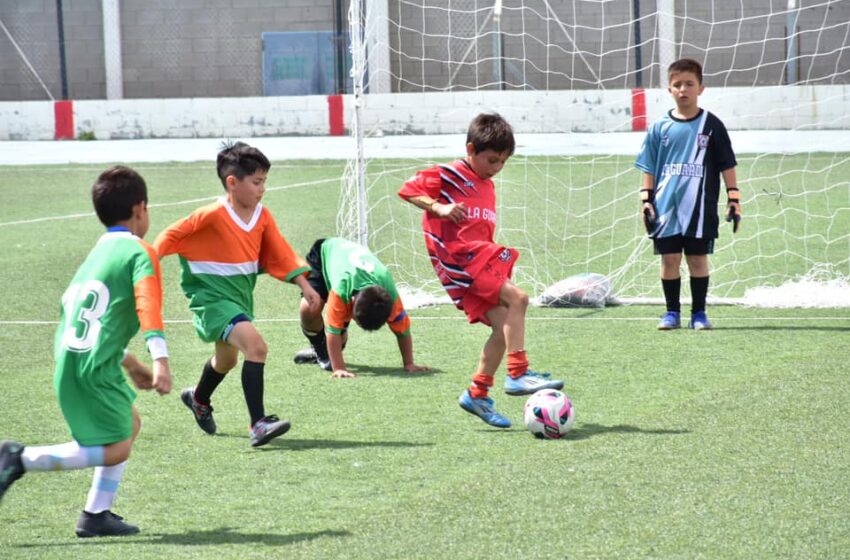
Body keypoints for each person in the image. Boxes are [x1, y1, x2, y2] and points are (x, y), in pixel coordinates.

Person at [0, 166, 173, 538]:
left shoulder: (97, 253)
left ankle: (96, 515)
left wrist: (129, 362)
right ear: (141, 208)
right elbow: (148, 306)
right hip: (93, 368)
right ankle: (20, 458)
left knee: (129, 424)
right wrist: (160, 360)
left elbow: (85, 318)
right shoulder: (140, 251)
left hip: (74, 361)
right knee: (116, 448)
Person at [398, 113, 563, 429]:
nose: (497, 168)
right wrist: (438, 207)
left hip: (477, 259)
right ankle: (517, 373)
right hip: (460, 258)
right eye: (491, 160)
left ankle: (477, 392)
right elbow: (407, 189)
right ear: (471, 149)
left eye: (503, 162)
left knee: (502, 328)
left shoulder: (486, 184)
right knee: (519, 298)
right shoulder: (449, 174)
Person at [154, 141, 321, 447]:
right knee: (256, 347)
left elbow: (279, 252)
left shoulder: (262, 216)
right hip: (210, 301)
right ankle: (258, 424)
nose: (262, 189)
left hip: (239, 300)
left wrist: (305, 285)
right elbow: (170, 236)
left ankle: (198, 398)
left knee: (226, 360)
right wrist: (146, 263)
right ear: (232, 183)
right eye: (257, 182)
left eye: (264, 182)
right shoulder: (210, 215)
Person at [636, 58, 740, 331]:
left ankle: (699, 313)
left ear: (701, 88)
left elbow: (726, 163)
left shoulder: (712, 125)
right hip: (666, 207)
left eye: (689, 84)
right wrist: (646, 200)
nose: (683, 89)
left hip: (699, 208)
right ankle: (671, 313)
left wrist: (734, 198)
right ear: (669, 89)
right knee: (669, 260)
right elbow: (649, 164)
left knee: (697, 260)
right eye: (677, 84)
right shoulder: (660, 127)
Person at [293, 237, 430, 378]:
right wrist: (339, 368)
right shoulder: (342, 288)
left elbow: (403, 330)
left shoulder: (390, 295)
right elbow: (332, 330)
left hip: (345, 265)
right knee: (309, 309)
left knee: (337, 336)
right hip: (324, 254)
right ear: (352, 301)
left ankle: (338, 340)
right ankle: (320, 350)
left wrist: (409, 363)